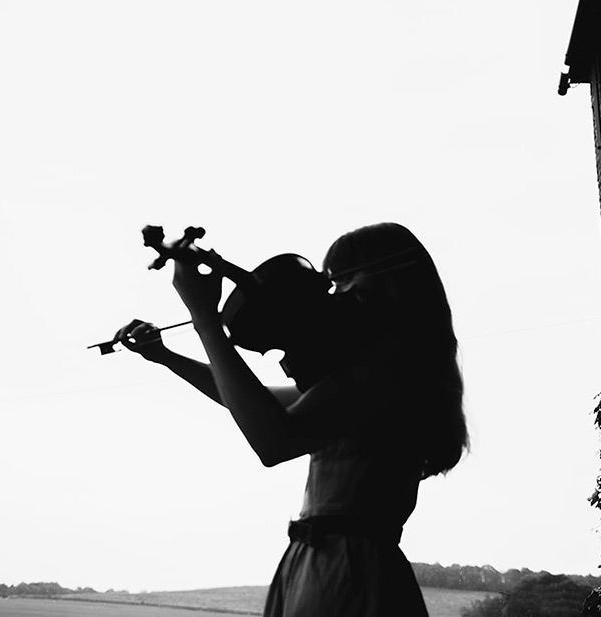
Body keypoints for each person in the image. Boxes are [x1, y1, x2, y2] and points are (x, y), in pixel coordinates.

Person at [115, 222, 468, 616]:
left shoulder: (394, 367)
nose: (333, 294)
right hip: (320, 558)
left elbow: (275, 440)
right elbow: (258, 402)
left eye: (347, 279)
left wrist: (206, 320)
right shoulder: (366, 370)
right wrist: (167, 357)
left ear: (392, 282)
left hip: (347, 567)